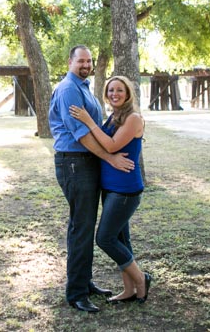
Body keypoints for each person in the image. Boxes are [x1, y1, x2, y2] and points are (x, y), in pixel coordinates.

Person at [49, 45, 135, 313]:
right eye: (80, 61)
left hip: (88, 162)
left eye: (89, 61)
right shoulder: (68, 89)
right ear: (70, 61)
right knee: (82, 227)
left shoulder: (84, 87)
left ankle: (85, 283)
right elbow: (81, 134)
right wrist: (109, 158)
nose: (85, 64)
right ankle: (76, 293)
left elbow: (97, 129)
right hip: (74, 162)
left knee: (87, 226)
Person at [69, 75, 151, 304]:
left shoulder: (134, 118)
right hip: (111, 188)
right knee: (121, 240)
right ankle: (129, 290)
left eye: (119, 90)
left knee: (105, 238)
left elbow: (111, 145)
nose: (115, 94)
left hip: (125, 190)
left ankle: (141, 279)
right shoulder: (116, 117)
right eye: (111, 90)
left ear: (128, 94)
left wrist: (88, 120)